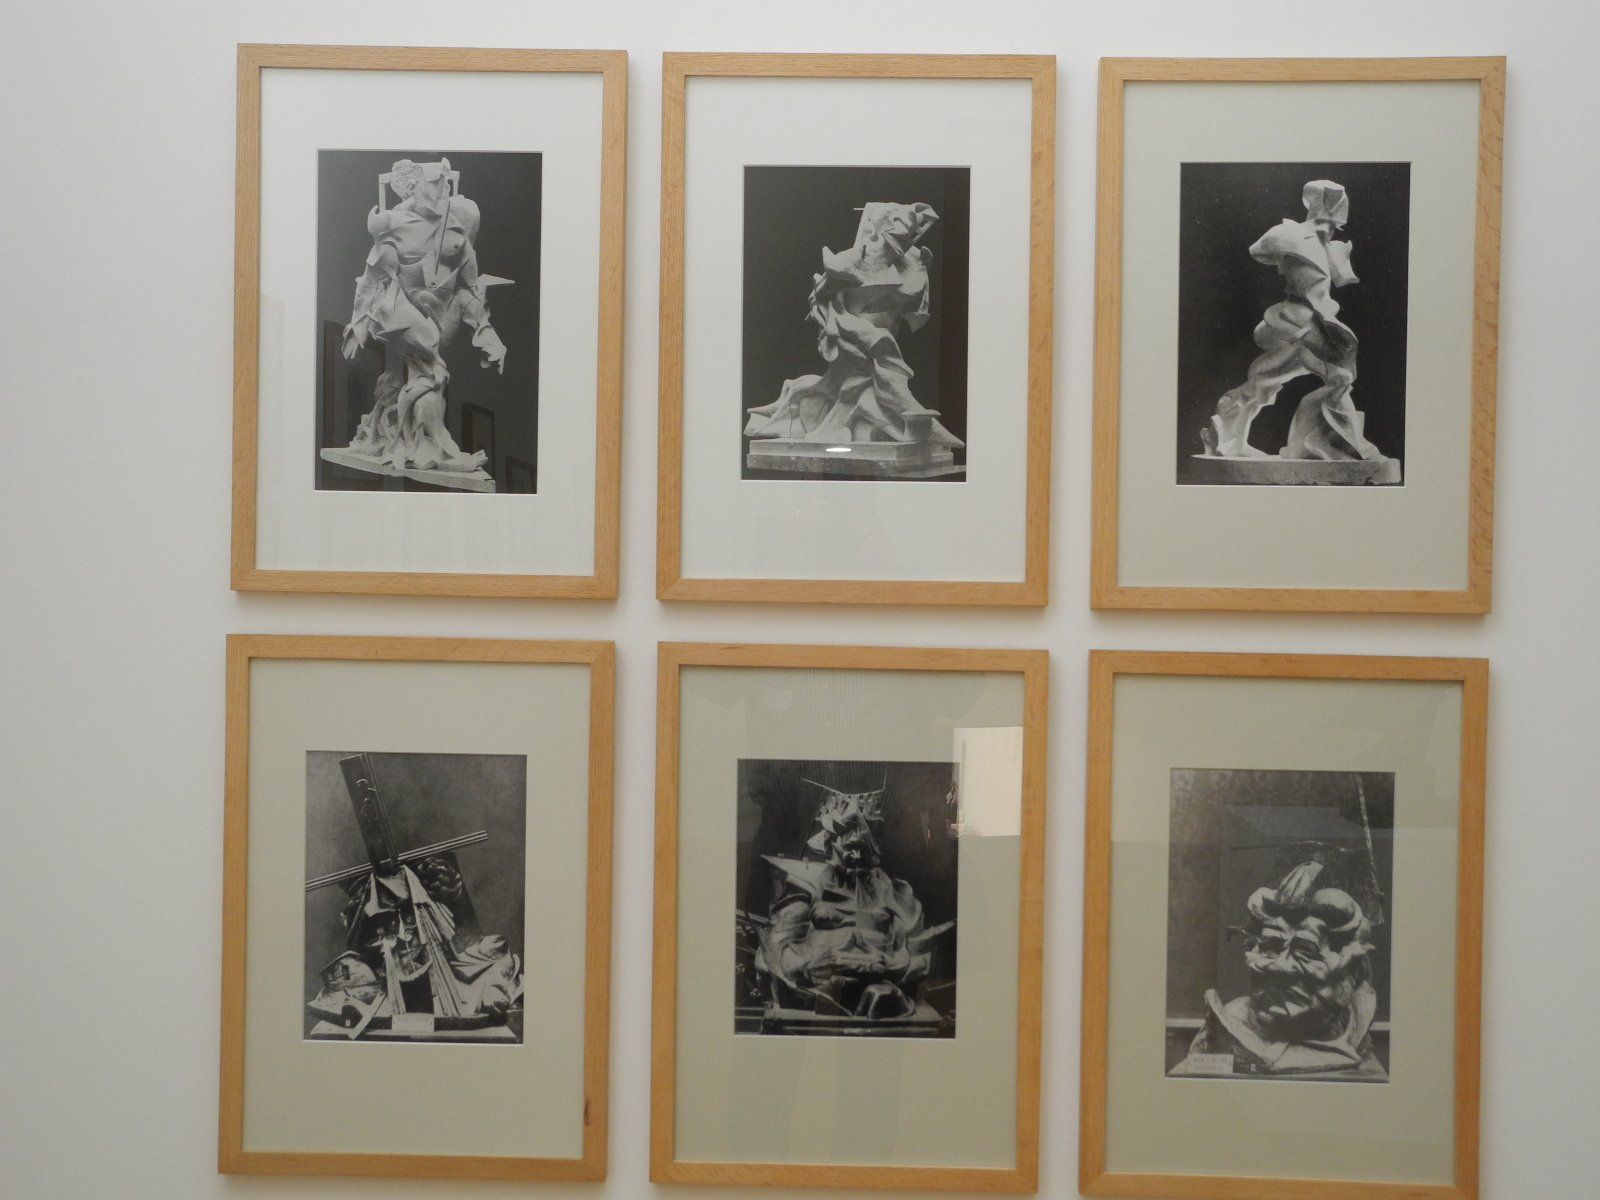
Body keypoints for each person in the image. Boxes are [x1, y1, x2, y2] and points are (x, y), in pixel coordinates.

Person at [337, 158, 509, 476]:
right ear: (413, 187)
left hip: (437, 310)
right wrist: (357, 324)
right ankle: (438, 449)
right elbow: (372, 277)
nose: (440, 191)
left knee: (397, 376)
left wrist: (486, 333)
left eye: (444, 184)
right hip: (396, 308)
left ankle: (383, 434)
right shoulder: (392, 222)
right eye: (433, 184)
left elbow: (469, 288)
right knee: (434, 373)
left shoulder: (458, 221)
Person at [1203, 180, 1387, 464]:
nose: (1333, 224)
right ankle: (1320, 442)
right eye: (1333, 212)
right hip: (1297, 317)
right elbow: (1259, 250)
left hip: (1316, 319)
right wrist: (1297, 243)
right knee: (1327, 377)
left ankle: (1239, 434)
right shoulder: (1290, 234)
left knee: (1270, 378)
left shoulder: (1330, 247)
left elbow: (1335, 279)